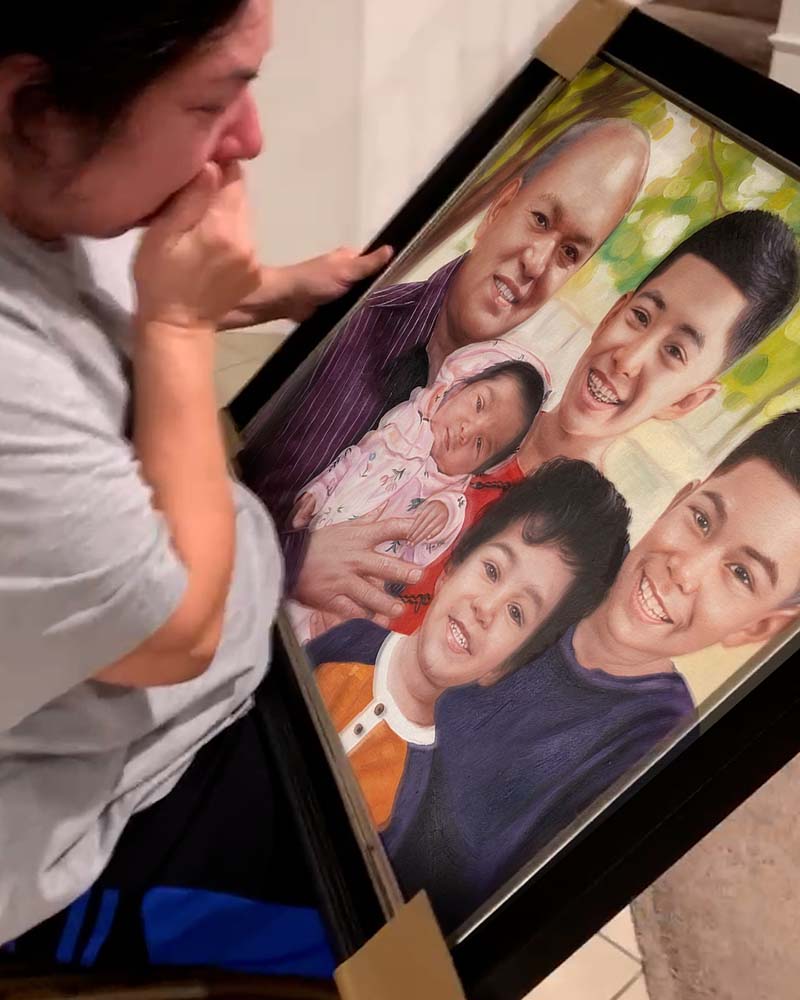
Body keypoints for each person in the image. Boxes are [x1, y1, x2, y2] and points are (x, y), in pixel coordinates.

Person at [0, 0, 393, 973]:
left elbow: (96, 280)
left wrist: (255, 290)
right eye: (216, 101)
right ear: (29, 104)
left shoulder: (38, 183)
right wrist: (179, 326)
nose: (251, 139)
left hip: (208, 672)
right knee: (398, 913)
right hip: (77, 818)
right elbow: (176, 631)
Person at [385, 411, 800, 931]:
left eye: (740, 574)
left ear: (758, 629)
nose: (685, 571)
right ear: (676, 500)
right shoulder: (550, 563)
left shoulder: (651, 758)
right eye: (700, 520)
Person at [238, 118, 651, 620]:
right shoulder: (349, 321)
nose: (537, 263)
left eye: (569, 253)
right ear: (500, 208)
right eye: (541, 220)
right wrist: (289, 562)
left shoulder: (506, 444)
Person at [390, 209, 800, 634]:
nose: (628, 358)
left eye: (674, 352)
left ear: (688, 400)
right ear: (611, 315)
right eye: (640, 318)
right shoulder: (457, 406)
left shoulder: (590, 568)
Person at [305, 458, 630, 830]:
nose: (485, 608)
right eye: (491, 571)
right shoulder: (348, 637)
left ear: (506, 665)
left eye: (516, 613)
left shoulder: (418, 795)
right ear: (450, 569)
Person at [287, 341, 549, 641]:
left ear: (481, 468)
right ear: (456, 387)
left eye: (481, 444)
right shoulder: (403, 423)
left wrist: (442, 512)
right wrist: (319, 490)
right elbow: (354, 458)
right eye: (478, 404)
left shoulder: (448, 495)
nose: (468, 430)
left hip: (352, 587)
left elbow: (449, 517)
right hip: (317, 538)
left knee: (303, 632)